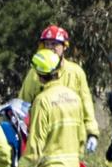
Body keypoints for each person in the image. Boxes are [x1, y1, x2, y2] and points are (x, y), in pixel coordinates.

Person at [19, 25, 99, 153]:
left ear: (64, 46)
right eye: (47, 44)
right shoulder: (34, 73)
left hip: (72, 141)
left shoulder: (76, 73)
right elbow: (22, 105)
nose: (50, 48)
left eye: (54, 44)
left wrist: (92, 133)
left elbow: (86, 105)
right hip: (44, 142)